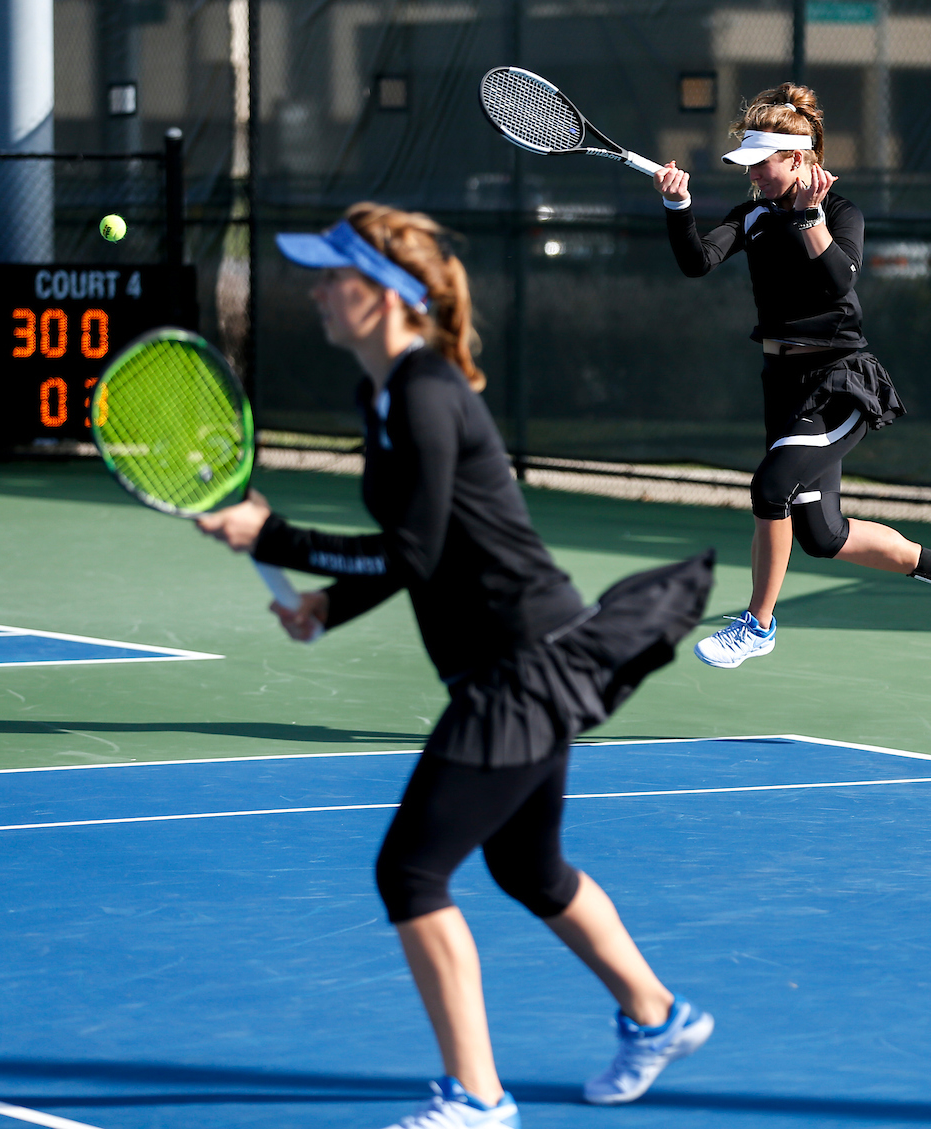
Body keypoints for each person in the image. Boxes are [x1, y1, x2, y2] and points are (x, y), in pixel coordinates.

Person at [196, 203, 715, 1129]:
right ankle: (658, 1016)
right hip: (512, 663)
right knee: (528, 867)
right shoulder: (382, 394)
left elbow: (417, 552)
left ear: (390, 296)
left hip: (523, 666)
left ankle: (476, 1096)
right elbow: (410, 549)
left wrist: (270, 532)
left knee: (410, 872)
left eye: (333, 276)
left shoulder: (428, 392)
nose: (316, 290)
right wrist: (326, 601)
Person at [653, 83, 931, 668]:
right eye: (749, 165)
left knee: (768, 489)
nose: (753, 175)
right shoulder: (753, 214)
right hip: (781, 385)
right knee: (822, 535)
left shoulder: (841, 212)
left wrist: (811, 216)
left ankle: (758, 625)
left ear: (798, 157)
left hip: (838, 383)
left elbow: (839, 280)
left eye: (762, 164)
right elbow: (697, 262)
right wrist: (677, 207)